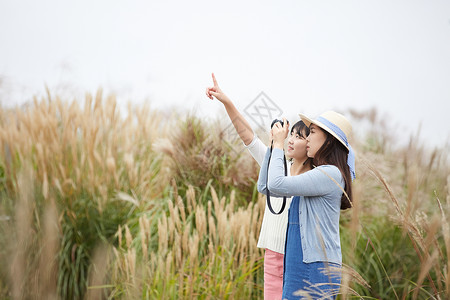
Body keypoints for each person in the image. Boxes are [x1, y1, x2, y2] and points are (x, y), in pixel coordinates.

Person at [205, 73, 312, 300]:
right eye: (290, 133)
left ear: (310, 146)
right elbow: (248, 137)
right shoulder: (276, 163)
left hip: (298, 258)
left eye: (299, 136)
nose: (291, 139)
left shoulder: (314, 178)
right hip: (273, 255)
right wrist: (227, 102)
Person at [257, 111, 355, 299]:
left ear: (328, 140)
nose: (307, 138)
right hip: (298, 264)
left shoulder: (330, 174)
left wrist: (279, 144)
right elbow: (266, 187)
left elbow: (276, 183)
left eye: (312, 132)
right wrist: (272, 146)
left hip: (315, 269)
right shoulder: (318, 175)